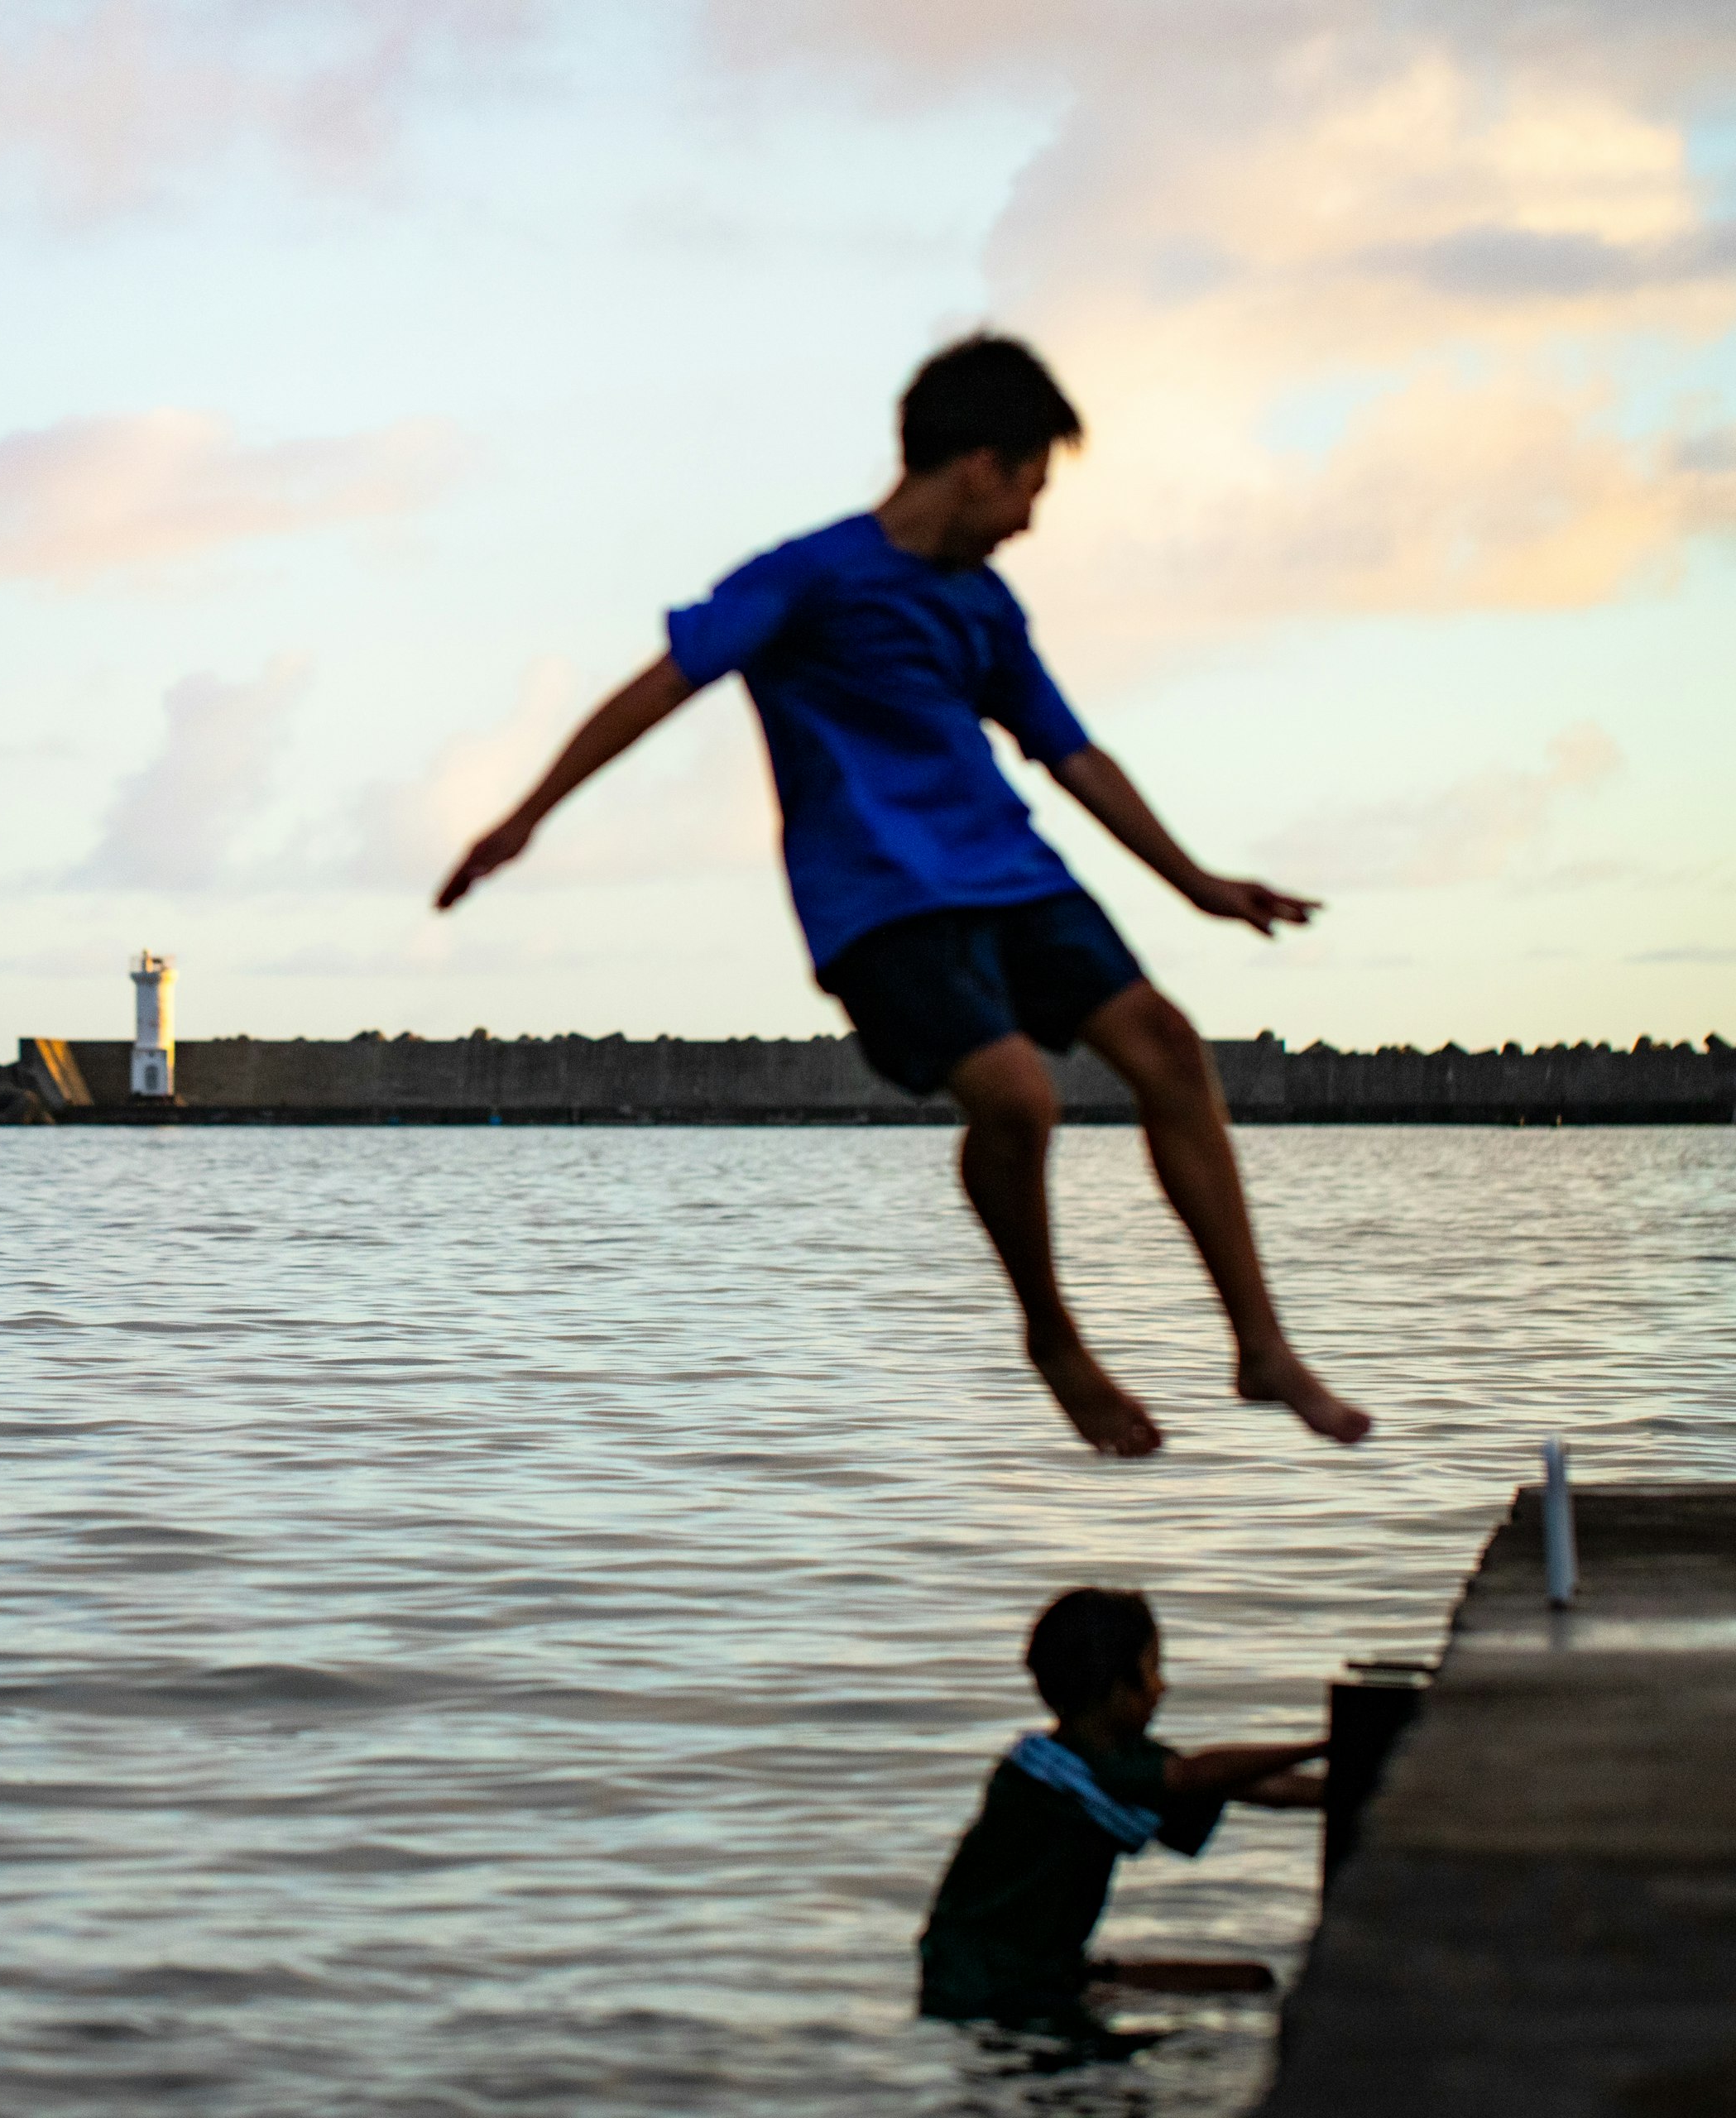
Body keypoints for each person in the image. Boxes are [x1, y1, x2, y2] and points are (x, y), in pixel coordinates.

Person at [435, 333, 1366, 1456]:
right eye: (1031, 485)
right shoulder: (805, 577)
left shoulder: (985, 606)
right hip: (877, 904)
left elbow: (1070, 753)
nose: (1030, 517)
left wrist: (1196, 882)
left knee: (1168, 1046)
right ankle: (1055, 1341)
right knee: (1021, 1101)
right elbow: (664, 685)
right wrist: (531, 813)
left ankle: (1261, 1346)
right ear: (981, 464)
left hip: (1012, 873)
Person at [918, 1587, 1323, 2029]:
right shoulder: (1067, 1776)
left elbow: (1252, 1786)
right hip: (987, 1983)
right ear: (1117, 1687)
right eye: (1152, 1670)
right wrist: (1323, 1745)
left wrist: (1351, 1784)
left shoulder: (1093, 1763)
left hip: (1026, 1971)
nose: (1162, 1687)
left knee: (1251, 1980)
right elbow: (1193, 1777)